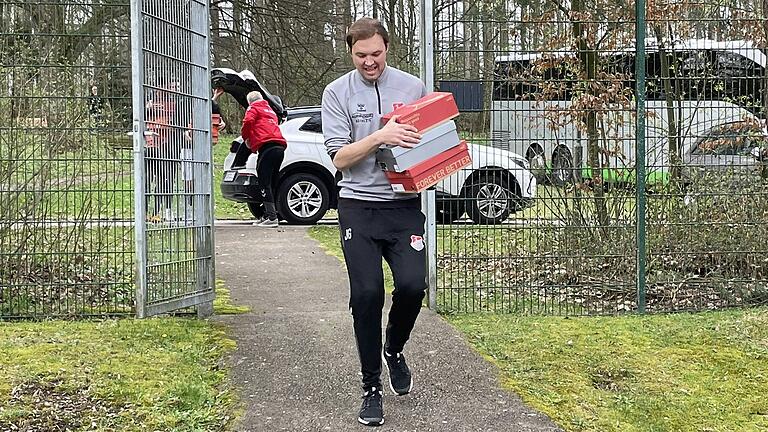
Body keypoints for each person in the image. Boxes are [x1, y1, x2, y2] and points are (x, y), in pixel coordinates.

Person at [321, 17, 428, 427]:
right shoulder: (337, 93)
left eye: (376, 54)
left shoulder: (412, 86)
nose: (370, 62)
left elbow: (427, 142)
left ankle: (394, 348)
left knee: (412, 286)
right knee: (366, 296)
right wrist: (380, 136)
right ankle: (371, 387)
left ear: (388, 48)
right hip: (358, 208)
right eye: (361, 55)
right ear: (350, 52)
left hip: (403, 207)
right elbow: (339, 158)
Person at [239, 90, 287, 228]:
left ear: (250, 102)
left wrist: (246, 138)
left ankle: (271, 217)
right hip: (279, 147)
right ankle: (269, 214)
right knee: (272, 182)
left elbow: (248, 121)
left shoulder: (253, 107)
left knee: (264, 181)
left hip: (267, 147)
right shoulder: (270, 110)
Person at [181, 88, 227, 223]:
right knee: (189, 180)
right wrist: (185, 133)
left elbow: (219, 122)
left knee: (205, 178)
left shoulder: (212, 105)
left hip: (205, 148)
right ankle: (189, 210)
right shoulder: (185, 104)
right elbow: (180, 125)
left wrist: (221, 126)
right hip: (188, 148)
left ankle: (206, 210)